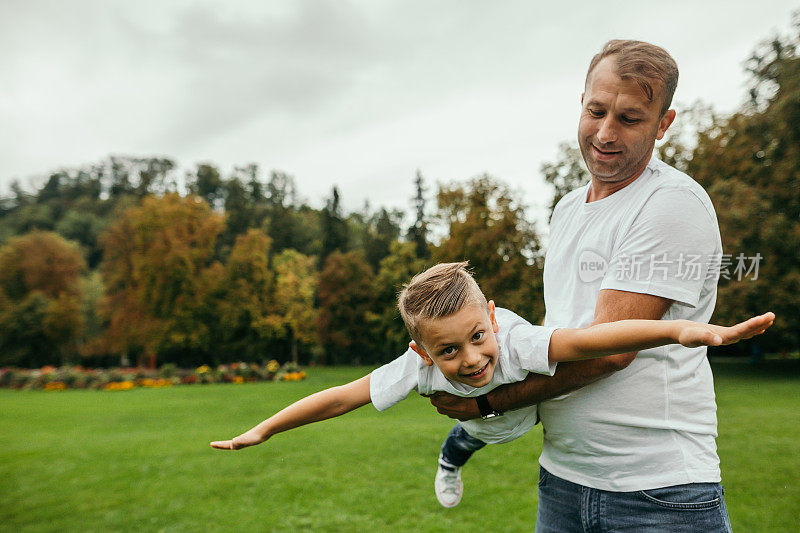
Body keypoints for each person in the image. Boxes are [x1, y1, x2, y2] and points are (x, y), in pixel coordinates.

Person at [427, 40, 736, 531]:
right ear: (582, 102)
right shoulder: (568, 208)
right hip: (564, 480)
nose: (606, 133)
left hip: (657, 494)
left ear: (663, 124)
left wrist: (488, 403)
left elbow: (609, 349)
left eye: (631, 119)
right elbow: (562, 329)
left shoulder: (671, 203)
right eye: (597, 111)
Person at [210, 263, 773, 516]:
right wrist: (265, 427)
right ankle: (450, 458)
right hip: (479, 424)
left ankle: (462, 444)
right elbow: (341, 397)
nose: (473, 359)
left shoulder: (519, 343)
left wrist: (679, 329)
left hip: (522, 418)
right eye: (448, 351)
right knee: (465, 439)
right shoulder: (417, 368)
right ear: (423, 353)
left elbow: (596, 340)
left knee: (485, 427)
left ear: (494, 319)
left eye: (478, 338)